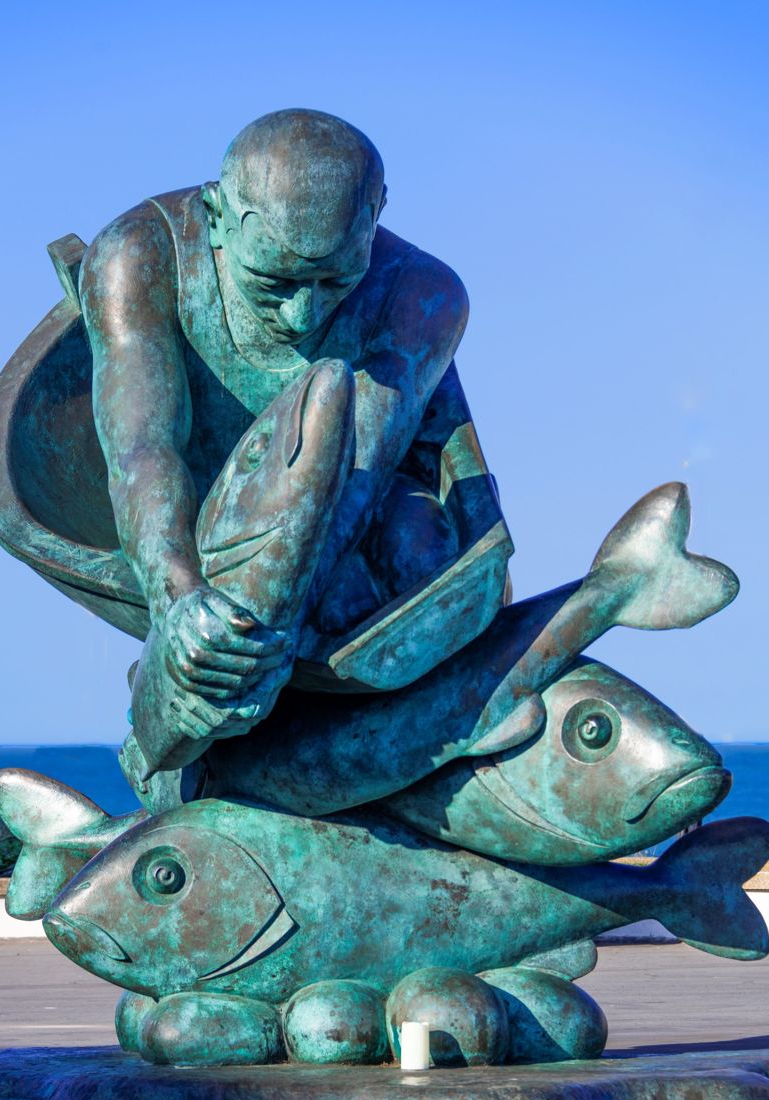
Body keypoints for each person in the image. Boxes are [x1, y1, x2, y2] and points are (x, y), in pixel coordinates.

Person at [79, 108, 498, 784]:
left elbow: (358, 476)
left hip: (349, 536)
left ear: (377, 216)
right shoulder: (137, 257)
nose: (305, 313)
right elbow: (143, 448)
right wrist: (177, 594)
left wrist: (277, 633)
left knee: (417, 539)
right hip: (190, 520)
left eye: (336, 279)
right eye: (274, 282)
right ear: (217, 216)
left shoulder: (424, 295)